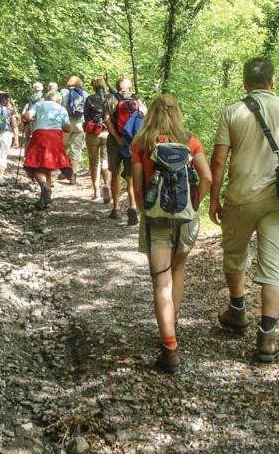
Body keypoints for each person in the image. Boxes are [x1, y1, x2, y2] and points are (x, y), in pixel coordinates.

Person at [209, 58, 279, 363]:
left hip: (241, 196)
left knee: (235, 253)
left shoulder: (233, 112)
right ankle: (267, 336)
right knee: (274, 266)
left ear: (244, 83)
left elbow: (218, 160)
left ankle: (237, 310)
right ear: (273, 82)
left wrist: (213, 199)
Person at [131, 95, 212, 374]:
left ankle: (170, 348)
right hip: (186, 217)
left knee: (160, 281)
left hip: (157, 219)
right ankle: (171, 322)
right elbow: (208, 178)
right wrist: (195, 203)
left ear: (151, 113)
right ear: (177, 113)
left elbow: (138, 187)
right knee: (178, 269)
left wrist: (145, 210)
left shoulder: (141, 143)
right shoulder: (191, 140)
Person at [22, 89, 72, 209]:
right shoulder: (61, 109)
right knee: (47, 166)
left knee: (35, 165)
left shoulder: (39, 104)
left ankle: (44, 187)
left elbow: (28, 116)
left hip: (40, 135)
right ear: (59, 99)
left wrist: (27, 118)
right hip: (55, 137)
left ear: (47, 97)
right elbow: (68, 128)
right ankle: (46, 198)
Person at [105, 77, 144, 225]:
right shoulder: (137, 99)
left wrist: (116, 137)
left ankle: (116, 208)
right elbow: (143, 119)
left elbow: (107, 119)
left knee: (114, 172)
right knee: (130, 176)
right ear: (129, 86)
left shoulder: (110, 98)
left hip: (115, 141)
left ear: (117, 86)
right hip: (132, 142)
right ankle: (133, 205)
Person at [83, 77, 112, 202]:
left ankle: (96, 192)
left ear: (93, 86)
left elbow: (85, 117)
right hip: (107, 133)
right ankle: (107, 186)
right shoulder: (110, 98)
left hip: (93, 133)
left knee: (94, 163)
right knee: (106, 162)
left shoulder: (90, 99)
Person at [61, 76, 87, 185]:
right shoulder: (85, 94)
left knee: (62, 146)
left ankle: (65, 169)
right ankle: (73, 176)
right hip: (80, 123)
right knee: (76, 149)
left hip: (66, 123)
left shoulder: (63, 92)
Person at [21, 82, 44, 148]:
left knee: (28, 138)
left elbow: (27, 108)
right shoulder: (44, 97)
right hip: (40, 121)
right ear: (42, 88)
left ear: (34, 89)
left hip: (29, 119)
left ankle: (26, 154)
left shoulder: (31, 97)